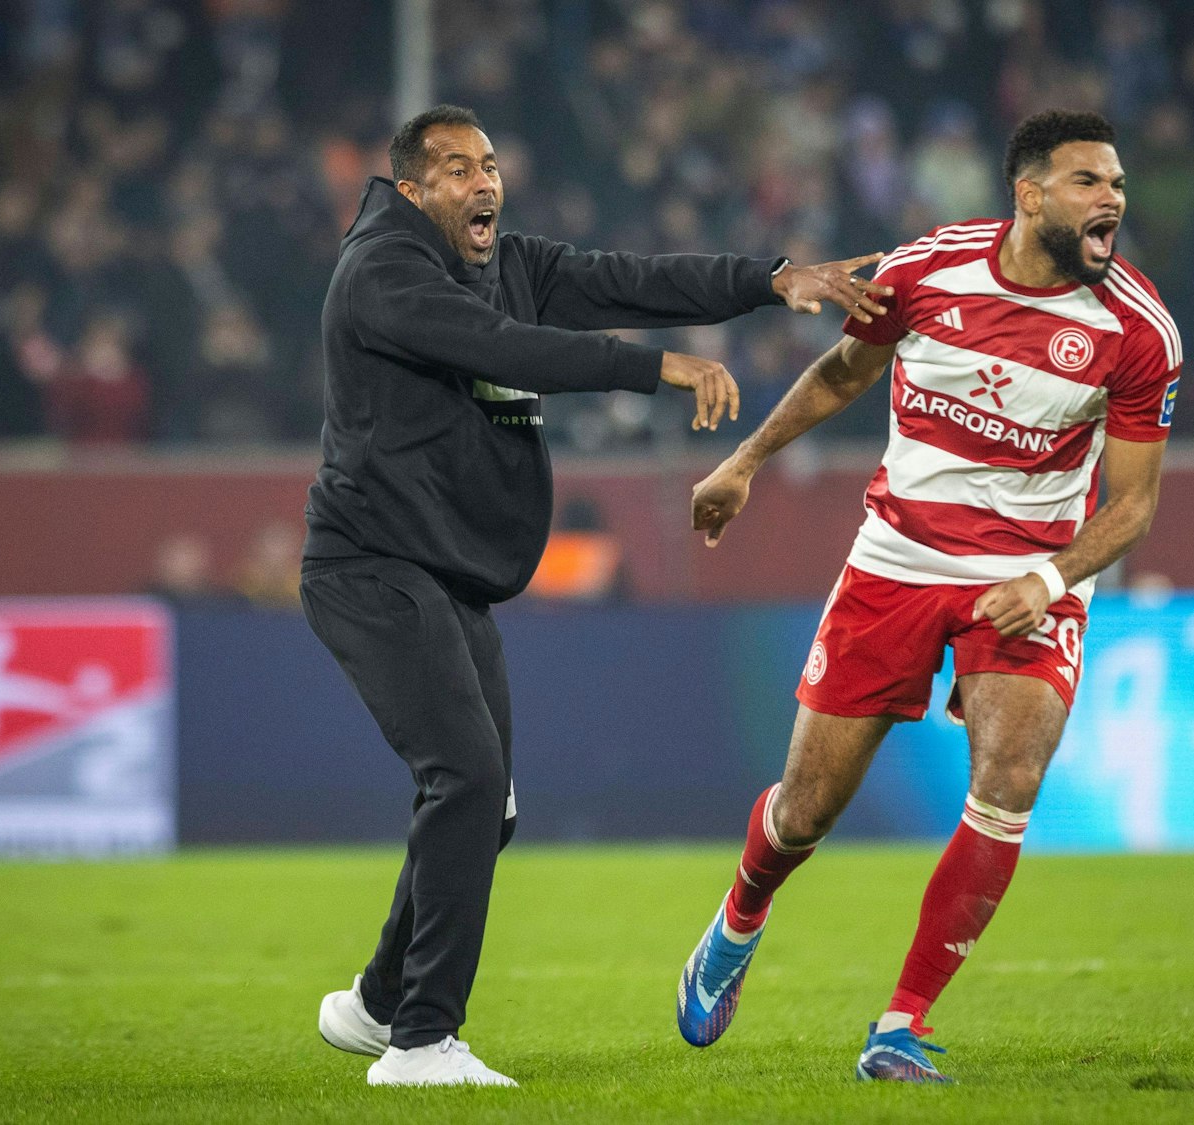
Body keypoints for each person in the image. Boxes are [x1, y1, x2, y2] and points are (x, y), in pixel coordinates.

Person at [299, 104, 891, 1088]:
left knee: (484, 805)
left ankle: (374, 1003)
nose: (481, 182)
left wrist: (767, 279)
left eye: (488, 164)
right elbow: (504, 349)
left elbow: (629, 277)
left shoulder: (506, 263)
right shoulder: (381, 273)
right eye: (453, 170)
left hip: (439, 577)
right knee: (467, 781)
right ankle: (419, 1046)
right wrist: (655, 368)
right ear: (409, 191)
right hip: (371, 568)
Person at [674, 110, 1182, 1083]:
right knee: (803, 814)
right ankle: (739, 918)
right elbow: (841, 372)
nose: (1109, 198)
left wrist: (1041, 579)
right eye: (1085, 181)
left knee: (1008, 784)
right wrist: (743, 461)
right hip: (895, 564)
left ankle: (899, 1026)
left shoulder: (1135, 330)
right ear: (1027, 195)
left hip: (1027, 580)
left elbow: (1132, 509)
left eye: (1114, 182)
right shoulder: (925, 270)